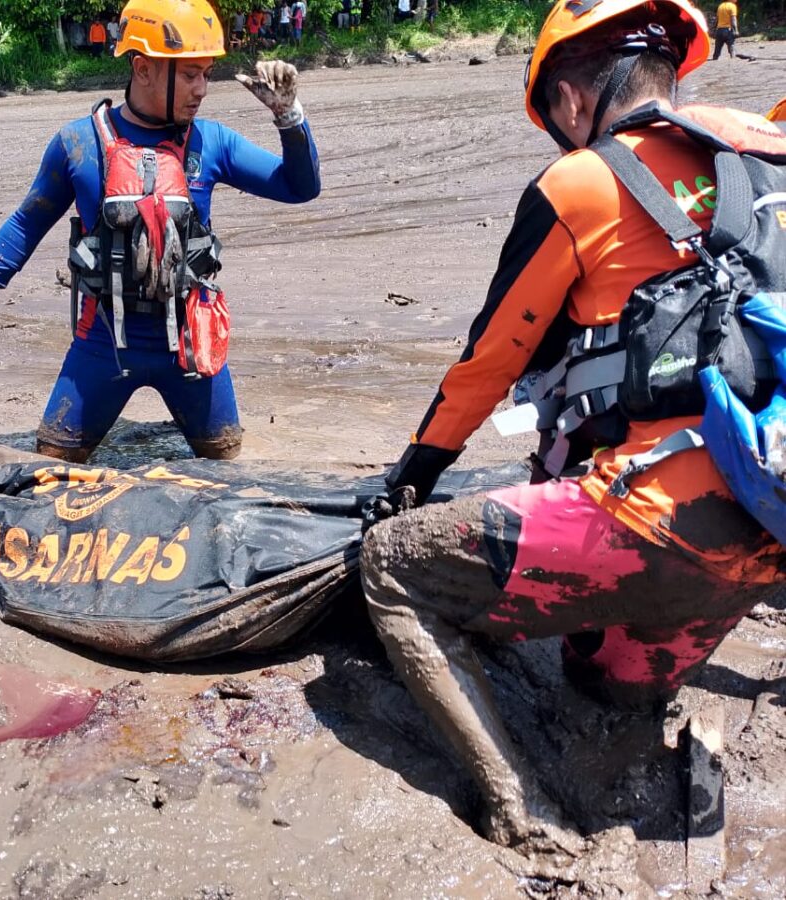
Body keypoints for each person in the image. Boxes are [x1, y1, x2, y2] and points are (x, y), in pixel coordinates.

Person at [360, 0, 786, 855]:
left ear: (567, 98)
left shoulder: (580, 181)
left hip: (658, 519)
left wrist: (411, 480)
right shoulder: (772, 150)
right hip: (769, 532)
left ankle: (514, 805)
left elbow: (490, 361)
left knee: (393, 568)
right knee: (597, 686)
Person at [0, 0, 321, 463]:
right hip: (101, 346)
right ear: (142, 69)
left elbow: (300, 188)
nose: (202, 89)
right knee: (47, 469)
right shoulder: (78, 145)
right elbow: (27, 223)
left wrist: (290, 116)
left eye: (206, 73)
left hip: (190, 351)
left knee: (227, 469)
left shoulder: (212, 142)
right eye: (189, 75)